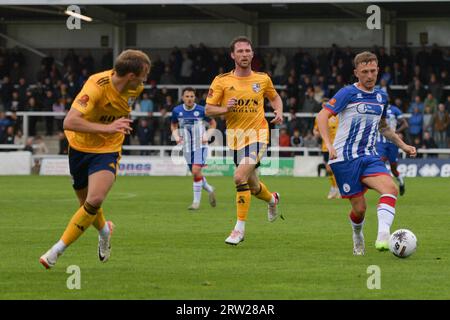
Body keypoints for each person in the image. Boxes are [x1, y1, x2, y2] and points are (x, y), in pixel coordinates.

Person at [39, 49, 151, 269]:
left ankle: (56, 251)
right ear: (131, 75)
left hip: (108, 149)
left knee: (95, 200)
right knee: (86, 205)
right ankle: (105, 231)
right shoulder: (96, 86)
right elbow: (69, 122)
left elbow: (120, 111)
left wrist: (116, 127)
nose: (145, 79)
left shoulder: (136, 89)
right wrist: (107, 127)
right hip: (79, 147)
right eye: (144, 73)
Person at [316, 51, 416, 256]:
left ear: (378, 70)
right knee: (360, 209)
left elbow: (384, 127)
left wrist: (403, 145)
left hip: (370, 156)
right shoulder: (347, 93)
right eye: (365, 72)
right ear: (356, 73)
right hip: (345, 159)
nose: (370, 76)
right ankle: (357, 234)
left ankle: (383, 235)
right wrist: (329, 144)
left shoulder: (382, 96)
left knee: (391, 189)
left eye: (373, 71)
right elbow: (322, 116)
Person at [205, 36, 283, 246]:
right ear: (233, 55)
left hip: (258, 135)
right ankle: (272, 199)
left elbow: (274, 97)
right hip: (235, 139)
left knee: (239, 176)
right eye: (240, 51)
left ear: (252, 54)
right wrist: (225, 109)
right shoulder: (221, 81)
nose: (244, 54)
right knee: (253, 186)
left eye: (247, 51)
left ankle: (239, 229)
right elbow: (209, 109)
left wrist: (278, 111)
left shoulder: (262, 79)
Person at [171, 87, 217, 210]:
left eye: (191, 96)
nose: (189, 99)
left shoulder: (202, 110)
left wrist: (208, 135)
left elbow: (213, 123)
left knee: (196, 171)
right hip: (186, 147)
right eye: (187, 96)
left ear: (194, 97)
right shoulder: (177, 111)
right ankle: (209, 188)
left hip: (200, 146)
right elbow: (173, 124)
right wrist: (176, 136)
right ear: (183, 98)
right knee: (196, 173)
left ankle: (196, 203)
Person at [376, 104, 409, 195]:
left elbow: (405, 124)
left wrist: (395, 133)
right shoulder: (376, 108)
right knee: (380, 162)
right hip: (380, 142)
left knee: (393, 168)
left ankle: (401, 183)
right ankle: (386, 186)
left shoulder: (395, 110)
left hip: (393, 143)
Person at [313, 107, 340, 199]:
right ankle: (334, 187)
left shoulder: (337, 117)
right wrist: (316, 133)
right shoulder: (319, 117)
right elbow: (316, 130)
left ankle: (337, 189)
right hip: (325, 147)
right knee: (329, 170)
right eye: (322, 106)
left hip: (336, 146)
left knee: (335, 169)